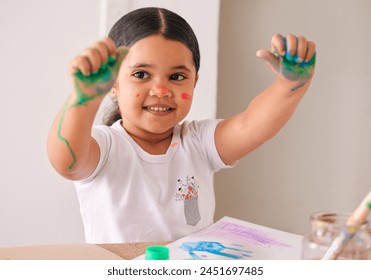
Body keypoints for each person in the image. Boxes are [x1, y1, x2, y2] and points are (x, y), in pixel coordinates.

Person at [47, 7, 316, 243]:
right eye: (141, 74)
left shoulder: (198, 142)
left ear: (195, 82)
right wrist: (82, 100)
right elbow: (67, 162)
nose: (161, 90)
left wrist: (289, 86)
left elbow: (252, 126)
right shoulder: (105, 146)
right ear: (114, 84)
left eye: (177, 76)